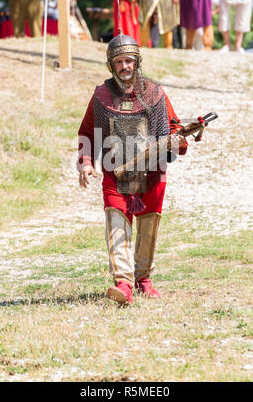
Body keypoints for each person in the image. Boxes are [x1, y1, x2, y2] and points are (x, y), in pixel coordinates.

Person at [77, 30, 188, 304]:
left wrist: (178, 143)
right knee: (117, 223)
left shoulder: (155, 93)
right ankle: (123, 284)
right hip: (115, 173)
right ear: (111, 65)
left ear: (137, 62)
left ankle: (143, 279)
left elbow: (173, 129)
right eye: (119, 62)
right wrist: (86, 162)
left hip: (152, 172)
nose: (125, 67)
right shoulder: (101, 96)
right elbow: (87, 133)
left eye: (129, 61)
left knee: (149, 226)